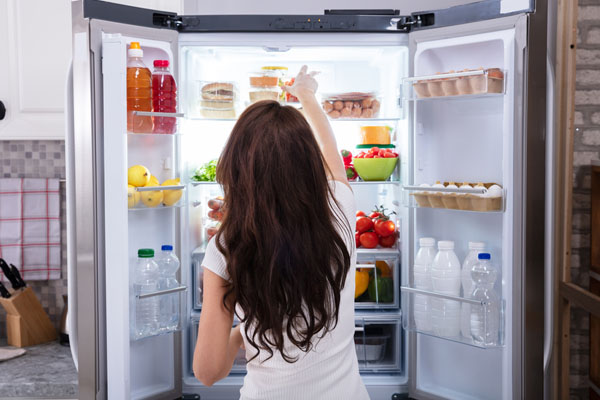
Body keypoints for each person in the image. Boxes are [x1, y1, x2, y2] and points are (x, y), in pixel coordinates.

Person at [193, 66, 369, 400]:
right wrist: (306, 95)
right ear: (309, 165)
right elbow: (332, 157)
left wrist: (242, 333)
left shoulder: (226, 247)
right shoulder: (341, 211)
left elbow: (208, 372)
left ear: (236, 169)